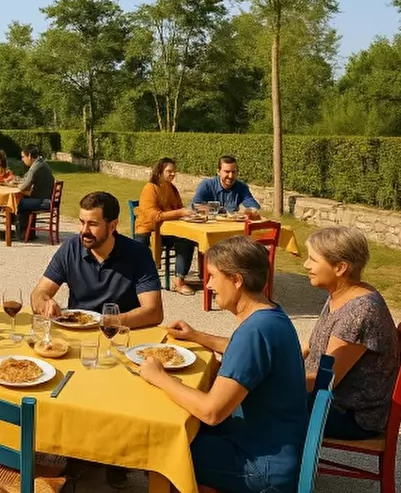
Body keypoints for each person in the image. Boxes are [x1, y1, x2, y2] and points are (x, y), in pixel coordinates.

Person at [140, 236, 308, 493]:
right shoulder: (270, 316)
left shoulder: (255, 332)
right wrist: (197, 336)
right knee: (183, 428)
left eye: (213, 276)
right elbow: (242, 351)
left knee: (157, 445)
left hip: (262, 467)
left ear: (237, 280)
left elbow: (212, 412)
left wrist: (159, 376)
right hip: (275, 447)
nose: (208, 285)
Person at [302, 226, 398, 440]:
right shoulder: (341, 292)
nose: (306, 265)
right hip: (330, 400)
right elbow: (313, 345)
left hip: (351, 414)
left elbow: (325, 382)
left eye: (313, 260)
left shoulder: (361, 311)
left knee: (260, 400)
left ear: (340, 268)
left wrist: (272, 380)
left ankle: (274, 468)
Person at [31, 191, 163, 327]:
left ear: (112, 226)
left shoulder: (138, 254)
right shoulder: (71, 248)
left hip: (119, 335)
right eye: (82, 222)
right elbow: (38, 294)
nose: (84, 230)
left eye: (93, 224)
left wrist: (104, 322)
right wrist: (44, 301)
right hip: (77, 332)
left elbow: (154, 312)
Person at [134, 158, 196, 296]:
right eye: (169, 171)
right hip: (147, 229)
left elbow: (179, 207)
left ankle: (179, 280)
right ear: (159, 172)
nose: (173, 174)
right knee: (138, 251)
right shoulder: (150, 188)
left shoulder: (172, 188)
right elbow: (153, 216)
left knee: (187, 240)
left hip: (167, 230)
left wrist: (189, 213)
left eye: (174, 171)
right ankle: (138, 281)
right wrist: (180, 213)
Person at [192, 155, 261, 218]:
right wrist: (216, 210)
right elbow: (195, 206)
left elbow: (252, 205)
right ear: (218, 172)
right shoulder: (207, 185)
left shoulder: (242, 187)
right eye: (227, 172)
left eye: (233, 172)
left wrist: (250, 210)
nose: (230, 176)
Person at [15, 145, 55, 240]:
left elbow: (24, 186)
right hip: (47, 199)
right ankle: (28, 233)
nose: (22, 160)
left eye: (23, 157)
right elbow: (26, 179)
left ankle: (23, 235)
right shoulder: (41, 163)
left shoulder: (35, 167)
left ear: (29, 156)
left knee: (18, 203)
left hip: (44, 201)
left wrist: (16, 185)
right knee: (24, 200)